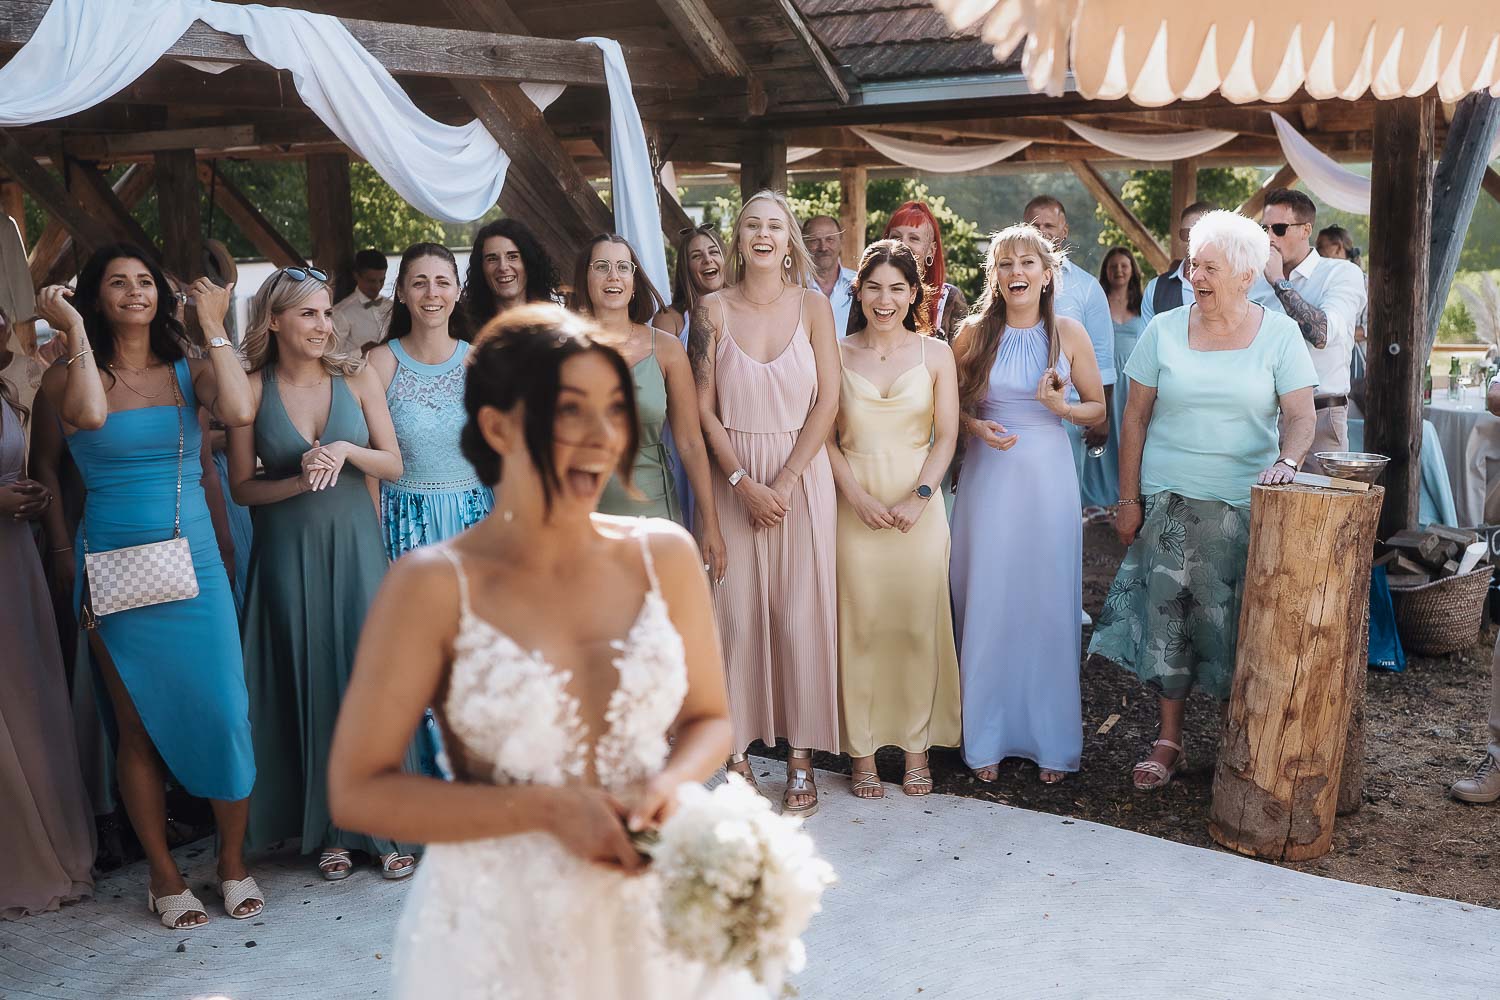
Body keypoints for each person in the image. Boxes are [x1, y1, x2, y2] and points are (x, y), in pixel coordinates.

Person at [325, 305, 754, 998]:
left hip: (647, 901)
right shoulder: (433, 584)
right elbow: (357, 789)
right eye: (570, 411)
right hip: (503, 925)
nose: (601, 438)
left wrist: (667, 785)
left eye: (614, 410)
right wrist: (546, 812)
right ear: (499, 427)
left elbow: (711, 721)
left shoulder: (664, 555)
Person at [35, 244, 262, 928]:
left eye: (145, 281)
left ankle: (232, 862)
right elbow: (82, 425)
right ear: (94, 297)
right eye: (117, 283)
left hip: (195, 561)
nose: (135, 292)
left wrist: (213, 323)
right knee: (135, 726)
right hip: (112, 562)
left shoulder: (190, 369)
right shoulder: (64, 377)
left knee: (226, 712)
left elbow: (241, 410)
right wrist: (76, 333)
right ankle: (164, 875)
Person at [1089, 210, 1318, 790]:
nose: (1196, 277)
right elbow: (1134, 418)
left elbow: (1300, 418)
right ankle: (1168, 739)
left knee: (1235, 627)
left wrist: (1288, 463)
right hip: (1169, 502)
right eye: (1194, 265)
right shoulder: (1163, 329)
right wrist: (1127, 499)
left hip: (1246, 506)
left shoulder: (1280, 335)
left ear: (1245, 275)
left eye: (1210, 268)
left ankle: (1233, 741)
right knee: (1170, 622)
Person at [228, 266, 417, 882]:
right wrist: (296, 480)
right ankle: (331, 830)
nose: (322, 325)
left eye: (326, 313)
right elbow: (241, 488)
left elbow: (393, 463)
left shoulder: (357, 375)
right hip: (287, 552)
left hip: (357, 547)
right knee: (308, 677)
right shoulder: (250, 390)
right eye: (308, 313)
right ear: (274, 320)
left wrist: (344, 451)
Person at [688, 189, 840, 817]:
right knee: (736, 615)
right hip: (735, 480)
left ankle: (801, 757)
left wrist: (786, 479)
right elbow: (701, 408)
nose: (762, 234)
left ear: (789, 241)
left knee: (799, 616)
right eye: (752, 224)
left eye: (775, 225)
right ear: (738, 236)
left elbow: (828, 398)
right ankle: (737, 756)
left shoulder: (814, 305)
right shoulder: (710, 309)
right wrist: (742, 482)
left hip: (802, 479)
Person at [950, 224, 1105, 786]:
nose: (1016, 272)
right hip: (989, 477)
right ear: (995, 276)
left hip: (1047, 477)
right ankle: (984, 735)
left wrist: (1063, 409)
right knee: (988, 596)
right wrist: (974, 426)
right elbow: (945, 405)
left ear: (1046, 274)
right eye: (1005, 264)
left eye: (1027, 263)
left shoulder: (1068, 333)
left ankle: (1049, 739)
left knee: (1045, 600)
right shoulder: (973, 334)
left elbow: (1098, 410)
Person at [828, 240, 961, 799]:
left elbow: (947, 435)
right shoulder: (832, 351)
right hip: (852, 504)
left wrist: (921, 496)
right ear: (859, 291)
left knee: (914, 625)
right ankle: (860, 754)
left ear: (914, 295)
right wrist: (854, 496)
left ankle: (916, 748)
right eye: (874, 287)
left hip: (918, 509)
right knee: (858, 626)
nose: (885, 300)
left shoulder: (936, 354)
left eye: (897, 289)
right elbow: (824, 438)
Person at [0, 366, 96, 919]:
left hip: (15, 557)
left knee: (28, 698)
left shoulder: (5, 393)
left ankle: (52, 839)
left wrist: (30, 493)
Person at [569, 236, 725, 563]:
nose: (613, 276)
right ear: (586, 279)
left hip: (654, 514)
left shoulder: (667, 349)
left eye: (623, 267)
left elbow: (690, 443)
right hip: (582, 516)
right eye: (602, 267)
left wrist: (711, 523)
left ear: (634, 283)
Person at [367, 243, 492, 559]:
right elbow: (369, 463)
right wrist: (374, 539)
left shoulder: (481, 362)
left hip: (475, 519)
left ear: (457, 292)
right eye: (419, 283)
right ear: (401, 292)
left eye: (442, 282)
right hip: (403, 523)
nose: (432, 293)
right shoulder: (379, 363)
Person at [1023, 196, 1115, 522]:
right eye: (1034, 226)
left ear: (1064, 231)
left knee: (1061, 507)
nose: (1042, 232)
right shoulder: (1008, 284)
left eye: (1049, 225)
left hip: (1069, 416)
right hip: (1014, 412)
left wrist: (1101, 416)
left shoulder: (1087, 288)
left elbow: (1103, 357)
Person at [1261, 189, 1366, 460]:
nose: (1270, 238)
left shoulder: (1341, 273)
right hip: (1261, 419)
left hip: (1321, 415)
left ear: (1306, 229)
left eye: (1279, 229)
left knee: (1319, 490)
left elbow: (1323, 334)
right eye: (1264, 229)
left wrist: (1278, 282)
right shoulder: (1255, 280)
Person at [1090, 247, 1146, 515]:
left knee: (1130, 434)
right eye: (1113, 266)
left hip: (1133, 380)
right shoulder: (1097, 302)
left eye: (1124, 265)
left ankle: (1127, 497)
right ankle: (1099, 498)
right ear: (1106, 271)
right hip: (1104, 377)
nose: (1119, 271)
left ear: (1132, 270)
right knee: (1102, 433)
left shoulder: (1143, 303)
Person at [884, 201, 969, 340]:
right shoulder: (869, 292)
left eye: (914, 238)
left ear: (931, 250)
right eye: (895, 237)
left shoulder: (949, 299)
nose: (903, 244)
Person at [459, 219, 560, 330]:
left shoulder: (555, 328)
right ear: (481, 267)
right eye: (492, 259)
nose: (503, 267)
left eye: (512, 257)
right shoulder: (466, 330)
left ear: (528, 262)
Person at [655, 223, 727, 343]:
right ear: (686, 268)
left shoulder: (746, 308)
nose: (707, 259)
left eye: (713, 252)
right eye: (696, 256)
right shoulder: (668, 318)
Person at [803, 215, 857, 338]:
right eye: (814, 240)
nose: (823, 247)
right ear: (803, 244)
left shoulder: (859, 284)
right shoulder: (792, 284)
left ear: (841, 241)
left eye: (830, 239)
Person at [331, 249, 392, 353]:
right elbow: (331, 356)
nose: (377, 286)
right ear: (356, 276)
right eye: (371, 281)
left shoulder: (392, 307)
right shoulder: (341, 312)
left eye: (382, 280)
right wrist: (360, 351)